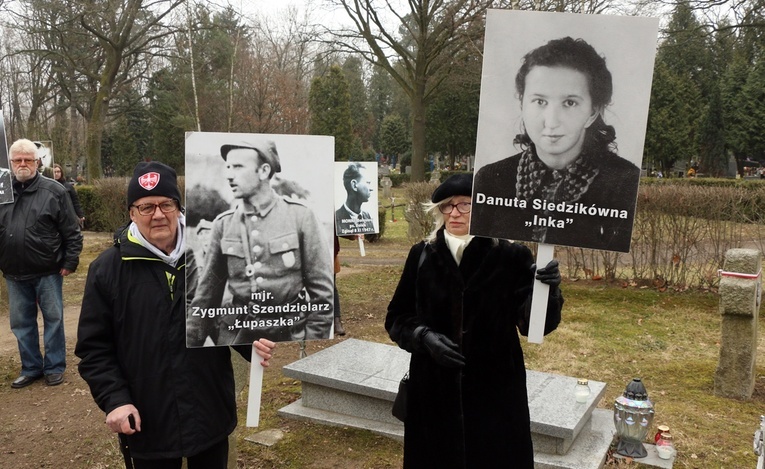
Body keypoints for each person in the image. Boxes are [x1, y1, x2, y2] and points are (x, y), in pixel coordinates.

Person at [75, 161, 276, 469]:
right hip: (147, 417)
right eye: (146, 207)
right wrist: (115, 399)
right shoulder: (107, 270)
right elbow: (94, 348)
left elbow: (226, 317)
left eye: (166, 204)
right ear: (131, 213)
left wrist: (252, 340)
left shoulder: (210, 255)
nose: (158, 215)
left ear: (180, 208)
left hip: (209, 410)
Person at [385, 173, 564, 468]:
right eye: (447, 206)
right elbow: (397, 317)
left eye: (464, 205)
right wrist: (423, 337)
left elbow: (535, 326)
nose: (454, 213)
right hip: (433, 392)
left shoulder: (511, 255)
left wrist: (548, 290)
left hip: (494, 394)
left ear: (483, 208)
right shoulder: (421, 255)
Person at [472, 36, 641, 253]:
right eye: (540, 101)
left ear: (593, 111)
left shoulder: (624, 182)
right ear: (522, 103)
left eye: (569, 103)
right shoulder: (490, 180)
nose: (551, 121)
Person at [188, 139, 333, 346]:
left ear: (264, 171)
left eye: (237, 167)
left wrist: (307, 346)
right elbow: (205, 298)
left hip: (289, 336)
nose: (229, 175)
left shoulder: (300, 217)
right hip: (237, 339)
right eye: (227, 167)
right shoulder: (223, 224)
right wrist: (188, 348)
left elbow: (323, 297)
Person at [0, 138, 83, 388]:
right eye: (18, 160)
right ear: (11, 162)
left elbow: (71, 230)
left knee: (54, 319)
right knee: (21, 323)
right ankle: (31, 367)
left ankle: (55, 366)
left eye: (28, 160)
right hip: (13, 272)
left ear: (38, 162)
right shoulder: (2, 192)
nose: (23, 164)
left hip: (48, 270)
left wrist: (70, 260)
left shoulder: (54, 191)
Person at [335, 162, 375, 236]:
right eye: (368, 182)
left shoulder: (367, 216)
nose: (371, 189)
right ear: (354, 185)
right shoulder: (337, 218)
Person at [53, 163, 85, 228]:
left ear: (61, 173)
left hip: (67, 215)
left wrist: (80, 215)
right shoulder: (48, 186)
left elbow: (75, 201)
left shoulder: (68, 186)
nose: (56, 174)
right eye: (54, 172)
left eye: (58, 172)